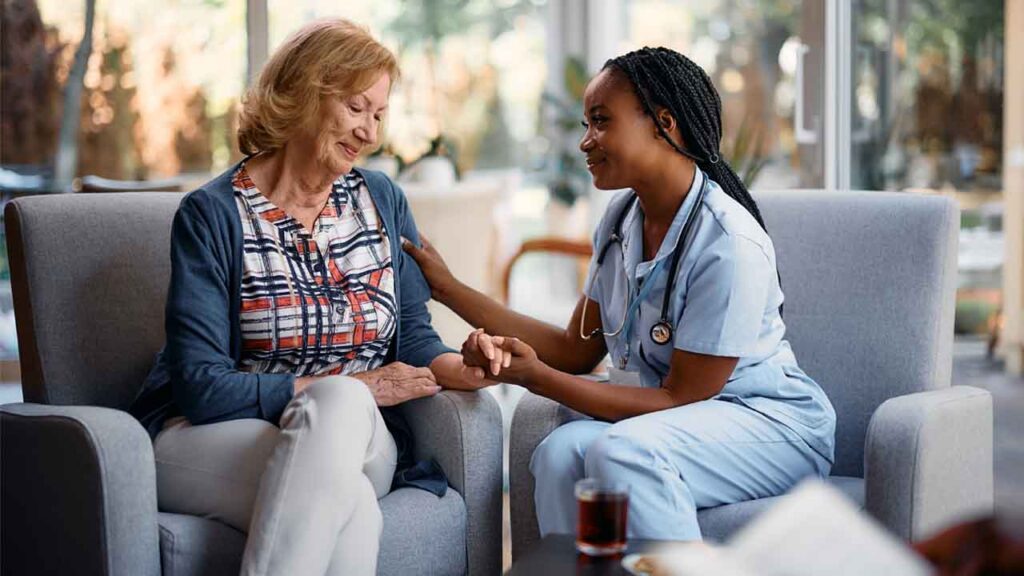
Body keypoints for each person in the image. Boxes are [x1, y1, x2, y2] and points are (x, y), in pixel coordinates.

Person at [403, 46, 837, 541]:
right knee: (559, 452)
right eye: (586, 124)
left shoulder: (728, 243)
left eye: (601, 121)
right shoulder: (620, 221)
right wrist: (447, 288)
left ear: (664, 123)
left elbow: (679, 397)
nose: (586, 141)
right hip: (678, 423)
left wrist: (535, 378)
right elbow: (574, 349)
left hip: (770, 428)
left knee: (623, 450)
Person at [128, 19, 493, 575]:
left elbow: (412, 333)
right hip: (209, 437)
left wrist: (457, 368)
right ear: (301, 96)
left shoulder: (381, 199)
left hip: (362, 438)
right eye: (355, 108)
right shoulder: (212, 215)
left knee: (344, 411)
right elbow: (200, 387)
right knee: (349, 504)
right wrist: (346, 386)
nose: (370, 132)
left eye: (379, 114)